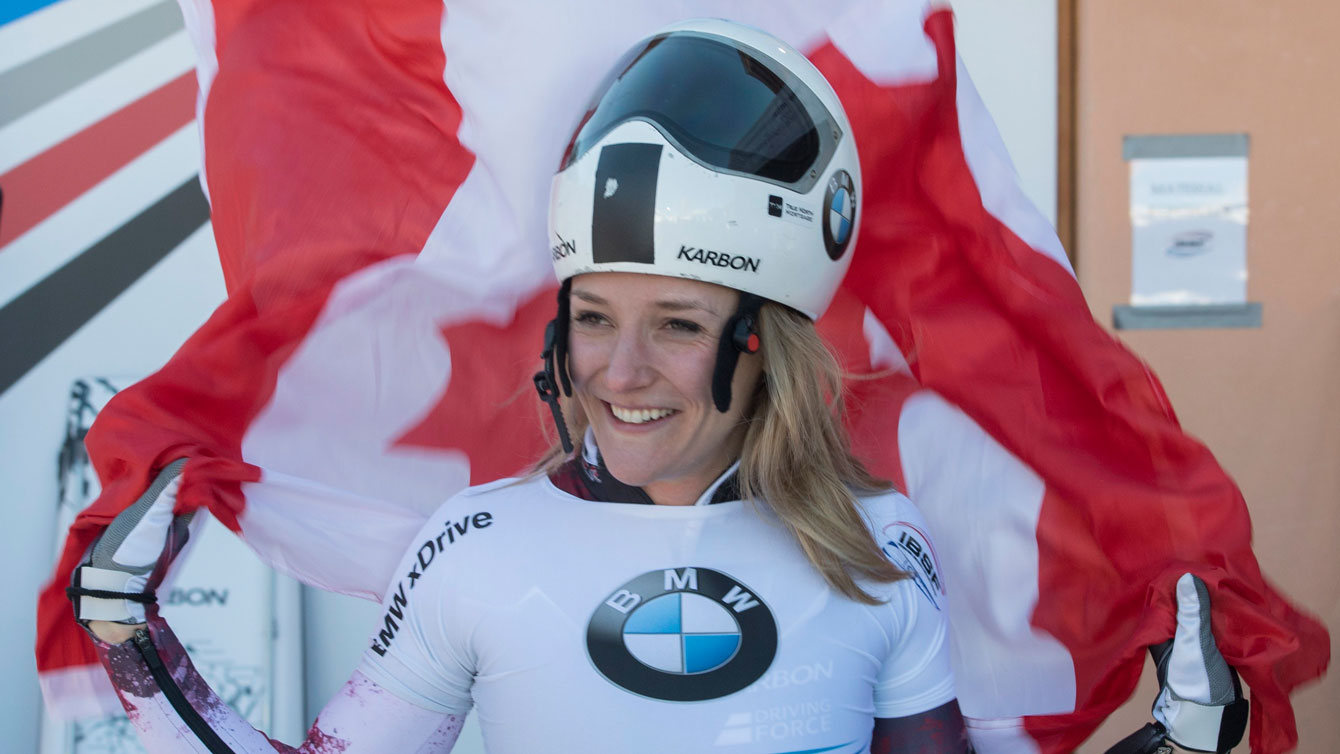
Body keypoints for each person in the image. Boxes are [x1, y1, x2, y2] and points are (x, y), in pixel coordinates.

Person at [68, 19, 971, 753]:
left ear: (765, 346)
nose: (621, 372)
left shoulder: (883, 550)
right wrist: (131, 638)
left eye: (680, 325)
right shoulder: (474, 547)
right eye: (593, 317)